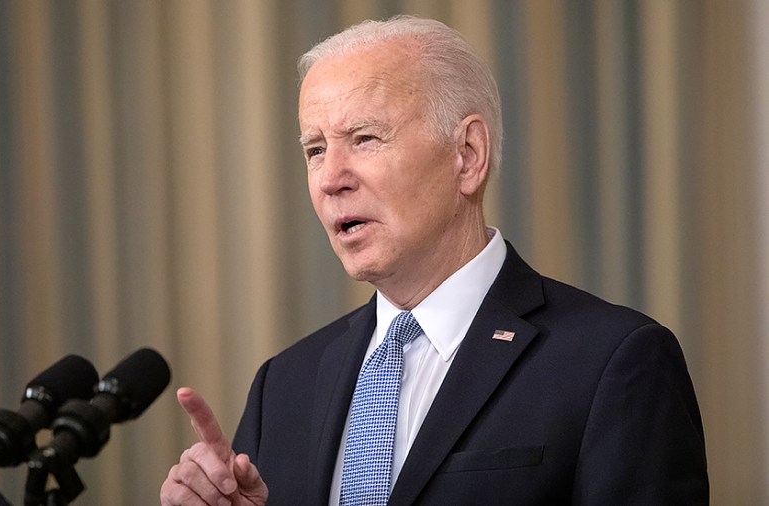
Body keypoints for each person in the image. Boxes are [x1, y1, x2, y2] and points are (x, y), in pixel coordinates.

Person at [160, 15, 708, 505]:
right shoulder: (283, 384)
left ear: (467, 156)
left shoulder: (612, 362)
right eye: (315, 150)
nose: (330, 179)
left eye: (365, 138)